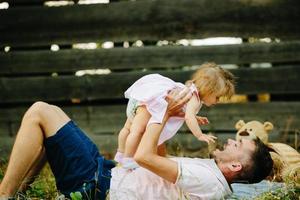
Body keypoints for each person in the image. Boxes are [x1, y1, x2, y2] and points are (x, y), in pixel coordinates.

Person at [0, 88, 273, 200]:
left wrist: (163, 113)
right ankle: (19, 192)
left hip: (98, 186)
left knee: (40, 112)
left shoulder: (207, 179)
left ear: (236, 165)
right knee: (52, 124)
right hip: (108, 174)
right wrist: (167, 120)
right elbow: (157, 161)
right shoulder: (209, 172)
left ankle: (4, 194)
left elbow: (144, 157)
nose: (230, 141)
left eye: (237, 145)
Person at [115, 62, 235, 168]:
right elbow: (189, 117)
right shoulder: (195, 99)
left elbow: (183, 111)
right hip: (146, 107)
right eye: (217, 97)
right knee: (137, 132)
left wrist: (195, 117)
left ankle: (120, 153)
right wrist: (199, 135)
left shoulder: (191, 90)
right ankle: (128, 159)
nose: (218, 101)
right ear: (209, 89)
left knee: (127, 129)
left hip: (140, 101)